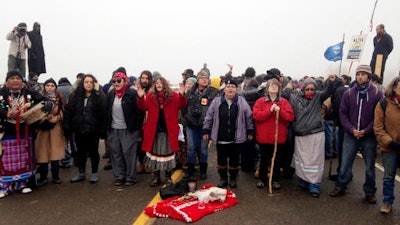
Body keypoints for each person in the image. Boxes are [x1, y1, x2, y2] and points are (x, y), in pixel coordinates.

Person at [330, 65, 383, 204]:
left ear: (369, 76)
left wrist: (366, 130)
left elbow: (378, 116)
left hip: (369, 136)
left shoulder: (377, 93)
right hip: (350, 134)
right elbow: (343, 113)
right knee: (345, 162)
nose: (360, 76)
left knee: (370, 165)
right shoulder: (348, 93)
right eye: (358, 74)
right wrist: (351, 129)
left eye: (363, 74)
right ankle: (341, 185)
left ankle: (370, 191)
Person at [0, 70, 53, 198]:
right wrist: (5, 114)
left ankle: (22, 184)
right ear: (7, 81)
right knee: (5, 160)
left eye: (18, 78)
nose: (15, 81)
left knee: (24, 158)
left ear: (22, 82)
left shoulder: (29, 93)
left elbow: (44, 99)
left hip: (25, 131)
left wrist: (49, 104)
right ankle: (5, 187)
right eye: (12, 78)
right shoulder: (2, 93)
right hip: (6, 132)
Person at [202, 79, 254, 188]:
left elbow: (248, 117)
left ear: (236, 89)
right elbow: (209, 116)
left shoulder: (241, 101)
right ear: (224, 89)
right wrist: (206, 129)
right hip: (221, 137)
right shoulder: (217, 101)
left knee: (235, 160)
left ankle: (233, 179)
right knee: (222, 160)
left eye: (233, 87)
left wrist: (250, 130)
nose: (230, 89)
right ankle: (223, 178)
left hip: (237, 138)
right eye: (228, 86)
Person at [137, 76, 187, 187]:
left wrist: (182, 95)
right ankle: (156, 177)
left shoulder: (173, 96)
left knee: (167, 154)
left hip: (168, 130)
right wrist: (140, 97)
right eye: (157, 83)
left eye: (161, 83)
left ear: (165, 84)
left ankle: (168, 177)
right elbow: (143, 107)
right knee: (155, 154)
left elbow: (182, 105)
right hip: (154, 130)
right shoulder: (150, 96)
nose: (159, 85)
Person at [290, 76, 334, 197]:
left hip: (315, 134)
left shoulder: (318, 97)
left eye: (312, 89)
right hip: (301, 135)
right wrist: (295, 127)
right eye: (307, 89)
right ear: (303, 89)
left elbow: (329, 92)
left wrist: (331, 82)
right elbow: (291, 114)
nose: (310, 91)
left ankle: (314, 184)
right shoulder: (295, 99)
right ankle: (304, 181)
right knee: (303, 159)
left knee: (314, 160)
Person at [64, 74, 107, 184]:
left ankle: (94, 173)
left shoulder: (98, 96)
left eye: (91, 82)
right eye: (86, 82)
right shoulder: (75, 96)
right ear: (82, 84)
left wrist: (98, 91)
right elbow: (69, 111)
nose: (88, 84)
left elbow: (103, 111)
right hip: (79, 128)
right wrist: (68, 126)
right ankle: (81, 172)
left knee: (93, 152)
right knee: (80, 152)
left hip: (93, 129)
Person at [253, 78, 294, 190]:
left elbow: (290, 117)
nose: (273, 87)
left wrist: (280, 111)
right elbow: (257, 115)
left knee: (276, 160)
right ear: (267, 88)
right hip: (264, 137)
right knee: (264, 160)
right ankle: (262, 179)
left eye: (276, 86)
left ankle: (275, 180)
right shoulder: (260, 101)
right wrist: (269, 110)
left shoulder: (284, 102)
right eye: (271, 85)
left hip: (278, 138)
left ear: (279, 89)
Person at [106, 72, 143, 186]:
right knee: (116, 153)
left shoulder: (131, 93)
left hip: (128, 129)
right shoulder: (111, 94)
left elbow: (139, 112)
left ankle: (130, 177)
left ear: (125, 81)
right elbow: (107, 111)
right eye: (114, 81)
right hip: (113, 129)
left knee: (129, 153)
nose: (116, 83)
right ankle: (119, 175)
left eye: (119, 81)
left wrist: (137, 129)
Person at [182, 70, 218, 180]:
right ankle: (190, 170)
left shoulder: (214, 92)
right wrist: (187, 117)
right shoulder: (190, 92)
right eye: (202, 77)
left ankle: (203, 171)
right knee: (191, 148)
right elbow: (183, 106)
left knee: (203, 149)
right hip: (191, 125)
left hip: (205, 126)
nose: (204, 79)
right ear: (197, 80)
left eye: (206, 78)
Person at [374, 76, 400, 214]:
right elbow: (378, 128)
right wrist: (391, 142)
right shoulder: (383, 104)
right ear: (394, 87)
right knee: (389, 176)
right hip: (390, 147)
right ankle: (387, 202)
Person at [34, 78, 65, 186]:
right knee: (43, 153)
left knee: (55, 153)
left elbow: (61, 113)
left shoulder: (59, 99)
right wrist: (42, 121)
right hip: (42, 129)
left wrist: (53, 120)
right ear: (44, 87)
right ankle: (43, 177)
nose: (50, 88)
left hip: (55, 129)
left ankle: (56, 176)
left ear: (55, 87)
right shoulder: (38, 98)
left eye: (52, 86)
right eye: (48, 85)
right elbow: (35, 113)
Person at [136, 70, 153, 174]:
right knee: (139, 145)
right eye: (143, 78)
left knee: (149, 144)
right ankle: (141, 163)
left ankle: (148, 164)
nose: (144, 80)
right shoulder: (135, 90)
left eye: (147, 78)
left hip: (149, 121)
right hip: (138, 121)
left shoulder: (153, 91)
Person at [57, 77, 76, 168]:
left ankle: (65, 160)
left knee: (64, 141)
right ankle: (77, 159)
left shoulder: (57, 90)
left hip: (61, 119)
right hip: (73, 118)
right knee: (74, 140)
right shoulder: (73, 89)